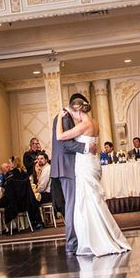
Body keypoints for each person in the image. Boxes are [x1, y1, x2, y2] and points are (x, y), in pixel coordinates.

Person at [56, 95, 130, 257]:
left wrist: (60, 120)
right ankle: (102, 235)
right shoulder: (95, 122)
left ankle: (95, 239)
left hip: (85, 166)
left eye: (72, 113)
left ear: (77, 110)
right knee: (93, 200)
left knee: (87, 202)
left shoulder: (84, 124)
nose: (72, 117)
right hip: (93, 162)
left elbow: (60, 137)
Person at [50, 92, 97, 253]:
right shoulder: (64, 117)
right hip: (66, 166)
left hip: (66, 166)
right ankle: (72, 243)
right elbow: (64, 144)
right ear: (76, 108)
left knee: (73, 204)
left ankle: (76, 240)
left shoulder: (65, 117)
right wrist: (86, 148)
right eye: (81, 112)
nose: (81, 116)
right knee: (71, 206)